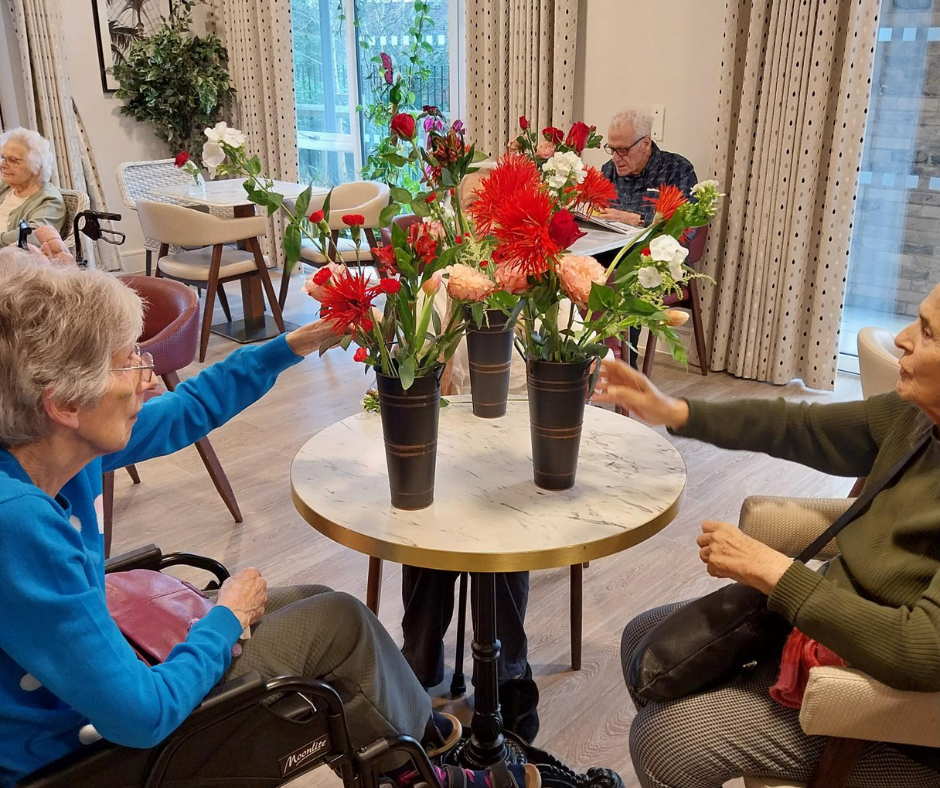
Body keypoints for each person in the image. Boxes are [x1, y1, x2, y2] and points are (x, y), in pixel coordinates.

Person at [0, 251, 539, 788]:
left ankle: (404, 728)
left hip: (94, 678)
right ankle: (411, 766)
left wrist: (296, 343)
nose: (148, 378)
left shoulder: (54, 446)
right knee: (339, 622)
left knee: (313, 598)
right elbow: (142, 716)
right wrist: (227, 619)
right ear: (64, 402)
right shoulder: (18, 524)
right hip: (77, 754)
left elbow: (188, 408)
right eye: (127, 363)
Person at [591, 285, 940, 788]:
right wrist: (676, 410)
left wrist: (777, 573)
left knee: (663, 740)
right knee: (642, 640)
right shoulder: (919, 419)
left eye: (927, 332)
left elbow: (918, 652)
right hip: (833, 635)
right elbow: (802, 426)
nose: (903, 338)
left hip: (889, 714)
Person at [597, 108, 697, 228]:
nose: (615, 158)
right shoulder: (608, 170)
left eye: (623, 150)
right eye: (612, 149)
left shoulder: (677, 170)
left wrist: (634, 220)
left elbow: (687, 224)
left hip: (653, 241)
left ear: (646, 143)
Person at [0, 128, 66, 247]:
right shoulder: (6, 187)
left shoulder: (49, 201)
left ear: (37, 167)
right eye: (2, 157)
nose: (3, 164)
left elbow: (33, 236)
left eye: (12, 160)